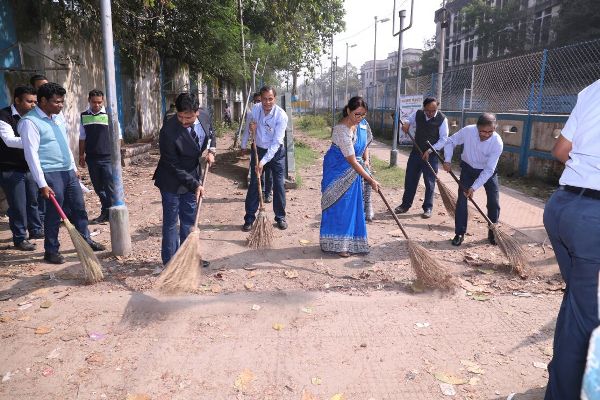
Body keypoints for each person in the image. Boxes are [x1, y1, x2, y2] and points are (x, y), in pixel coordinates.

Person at [542, 79, 600, 400]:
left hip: (562, 207)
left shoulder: (592, 89)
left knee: (576, 304)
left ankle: (558, 387)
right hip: (594, 219)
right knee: (591, 325)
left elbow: (561, 149)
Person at [18, 82, 105, 264]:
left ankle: (86, 240)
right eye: (56, 102)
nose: (60, 105)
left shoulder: (58, 117)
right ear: (43, 101)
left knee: (79, 209)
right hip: (50, 173)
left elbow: (64, 143)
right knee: (53, 214)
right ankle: (51, 250)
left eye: (61, 102)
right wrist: (42, 183)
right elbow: (31, 155)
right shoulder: (29, 122)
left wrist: (72, 167)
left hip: (67, 171)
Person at [152, 93, 216, 266]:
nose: (183, 121)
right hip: (171, 179)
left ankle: (188, 257)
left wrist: (212, 150)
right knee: (171, 222)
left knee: (189, 218)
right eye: (180, 116)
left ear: (197, 112)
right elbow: (172, 164)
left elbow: (211, 133)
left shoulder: (204, 115)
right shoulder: (168, 131)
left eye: (188, 117)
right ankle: (171, 262)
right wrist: (195, 184)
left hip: (192, 174)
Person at [320, 96, 380, 257]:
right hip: (337, 170)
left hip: (355, 169)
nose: (359, 118)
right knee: (340, 206)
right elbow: (352, 160)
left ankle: (351, 243)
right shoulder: (341, 130)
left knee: (353, 207)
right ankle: (338, 245)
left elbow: (365, 142)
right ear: (348, 110)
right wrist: (370, 179)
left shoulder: (362, 125)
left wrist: (366, 159)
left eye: (363, 115)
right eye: (356, 114)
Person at [442, 113, 503, 246]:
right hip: (468, 170)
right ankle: (459, 233)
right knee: (462, 200)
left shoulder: (497, 142)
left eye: (490, 132)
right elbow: (450, 141)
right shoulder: (468, 131)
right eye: (482, 131)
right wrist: (447, 159)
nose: (486, 134)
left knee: (493, 202)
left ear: (495, 128)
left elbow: (489, 170)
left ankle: (493, 232)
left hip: (487, 173)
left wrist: (474, 187)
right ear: (477, 127)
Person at [0, 85, 44, 251]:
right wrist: (33, 141)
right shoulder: (3, 116)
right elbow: (9, 140)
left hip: (29, 167)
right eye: (29, 101)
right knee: (17, 206)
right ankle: (19, 238)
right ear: (17, 100)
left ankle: (35, 230)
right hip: (10, 169)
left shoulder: (33, 117)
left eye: (35, 101)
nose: (33, 105)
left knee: (33, 201)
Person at [241, 86, 288, 231]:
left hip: (276, 153)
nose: (267, 103)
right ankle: (249, 218)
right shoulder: (255, 109)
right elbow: (248, 128)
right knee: (255, 183)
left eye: (270, 99)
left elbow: (276, 143)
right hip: (259, 149)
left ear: (275, 99)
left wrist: (262, 162)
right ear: (260, 99)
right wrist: (244, 143)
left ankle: (280, 217)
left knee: (279, 184)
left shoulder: (281, 116)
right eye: (264, 99)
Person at [394, 97, 448, 219]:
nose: (430, 113)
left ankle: (428, 207)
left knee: (429, 182)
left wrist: (430, 150)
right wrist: (407, 123)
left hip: (431, 155)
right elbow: (409, 119)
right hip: (416, 152)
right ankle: (405, 205)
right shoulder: (418, 113)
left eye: (433, 110)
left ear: (437, 108)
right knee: (410, 179)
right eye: (428, 110)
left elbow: (444, 139)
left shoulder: (442, 119)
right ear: (424, 108)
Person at [78, 89, 120, 224]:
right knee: (98, 187)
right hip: (92, 158)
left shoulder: (110, 115)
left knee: (110, 186)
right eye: (94, 102)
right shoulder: (84, 116)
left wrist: (118, 156)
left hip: (108, 158)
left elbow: (117, 136)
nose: (96, 105)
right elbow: (82, 137)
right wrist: (80, 155)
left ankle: (113, 212)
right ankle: (106, 210)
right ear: (89, 101)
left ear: (103, 102)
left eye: (99, 102)